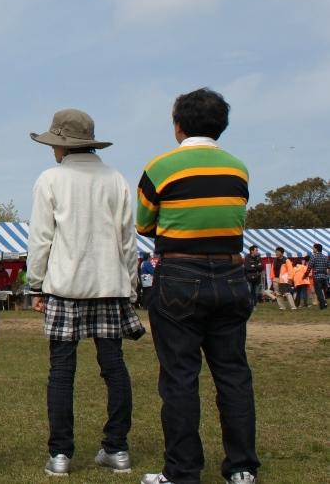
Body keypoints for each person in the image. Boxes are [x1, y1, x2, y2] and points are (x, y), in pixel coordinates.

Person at [136, 88, 259, 484]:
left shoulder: (161, 167)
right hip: (230, 275)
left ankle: (183, 471)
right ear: (221, 125)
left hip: (179, 276)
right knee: (233, 374)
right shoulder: (237, 169)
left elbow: (144, 225)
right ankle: (241, 469)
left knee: (180, 377)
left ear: (178, 125)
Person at [27, 108, 143, 477]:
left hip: (65, 287)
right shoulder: (116, 179)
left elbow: (41, 238)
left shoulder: (51, 179)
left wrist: (35, 283)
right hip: (110, 285)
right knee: (114, 367)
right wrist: (132, 284)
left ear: (62, 146)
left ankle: (60, 454)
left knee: (62, 371)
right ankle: (117, 448)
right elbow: (129, 240)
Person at [309, 243, 329, 310]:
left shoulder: (313, 256)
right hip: (324, 276)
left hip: (317, 276)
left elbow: (309, 267)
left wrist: (305, 275)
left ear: (316, 249)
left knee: (319, 292)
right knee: (323, 291)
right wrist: (327, 275)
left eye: (313, 248)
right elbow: (329, 266)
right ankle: (324, 303)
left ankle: (323, 305)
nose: (312, 249)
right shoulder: (325, 257)